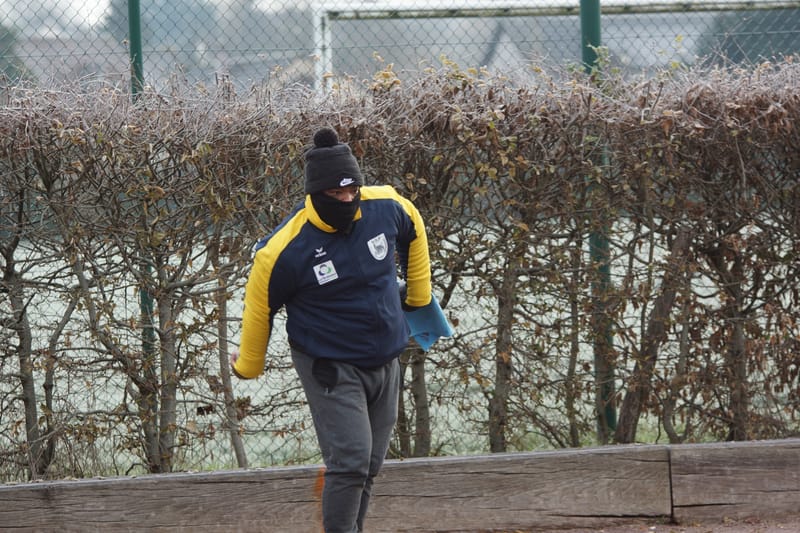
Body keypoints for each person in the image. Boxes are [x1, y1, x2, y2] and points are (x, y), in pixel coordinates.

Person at [231, 127, 432, 533]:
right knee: (351, 460)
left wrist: (419, 296)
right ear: (315, 194)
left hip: (385, 357)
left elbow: (415, 225)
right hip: (331, 365)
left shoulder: (386, 206)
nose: (346, 200)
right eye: (335, 195)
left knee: (371, 463)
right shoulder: (284, 250)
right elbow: (259, 307)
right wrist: (249, 364)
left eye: (351, 191)